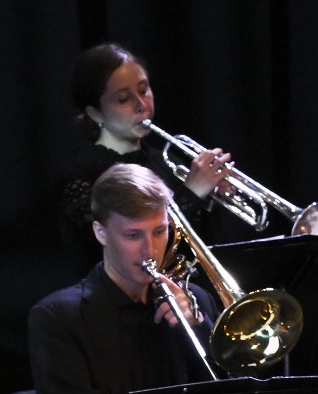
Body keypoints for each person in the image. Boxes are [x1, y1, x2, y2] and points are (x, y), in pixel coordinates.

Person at [30, 164, 217, 394]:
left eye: (159, 232)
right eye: (133, 235)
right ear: (101, 233)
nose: (150, 250)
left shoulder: (195, 301)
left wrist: (196, 327)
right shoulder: (57, 315)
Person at [59, 43, 233, 274]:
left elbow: (202, 247)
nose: (141, 106)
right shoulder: (81, 173)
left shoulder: (164, 163)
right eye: (123, 99)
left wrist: (210, 198)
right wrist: (192, 194)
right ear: (95, 113)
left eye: (143, 90)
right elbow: (107, 252)